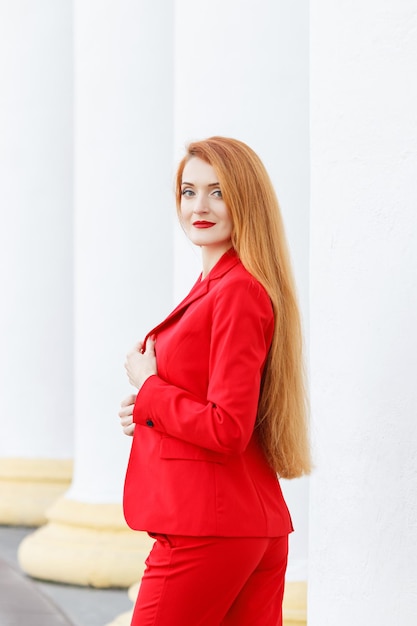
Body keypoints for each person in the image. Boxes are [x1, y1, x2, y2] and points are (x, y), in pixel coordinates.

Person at [119, 136, 311, 625]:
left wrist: (150, 390)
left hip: (208, 528)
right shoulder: (222, 285)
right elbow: (212, 402)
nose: (199, 206)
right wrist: (146, 407)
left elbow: (228, 427)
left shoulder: (238, 291)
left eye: (218, 192)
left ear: (245, 199)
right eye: (188, 191)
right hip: (243, 523)